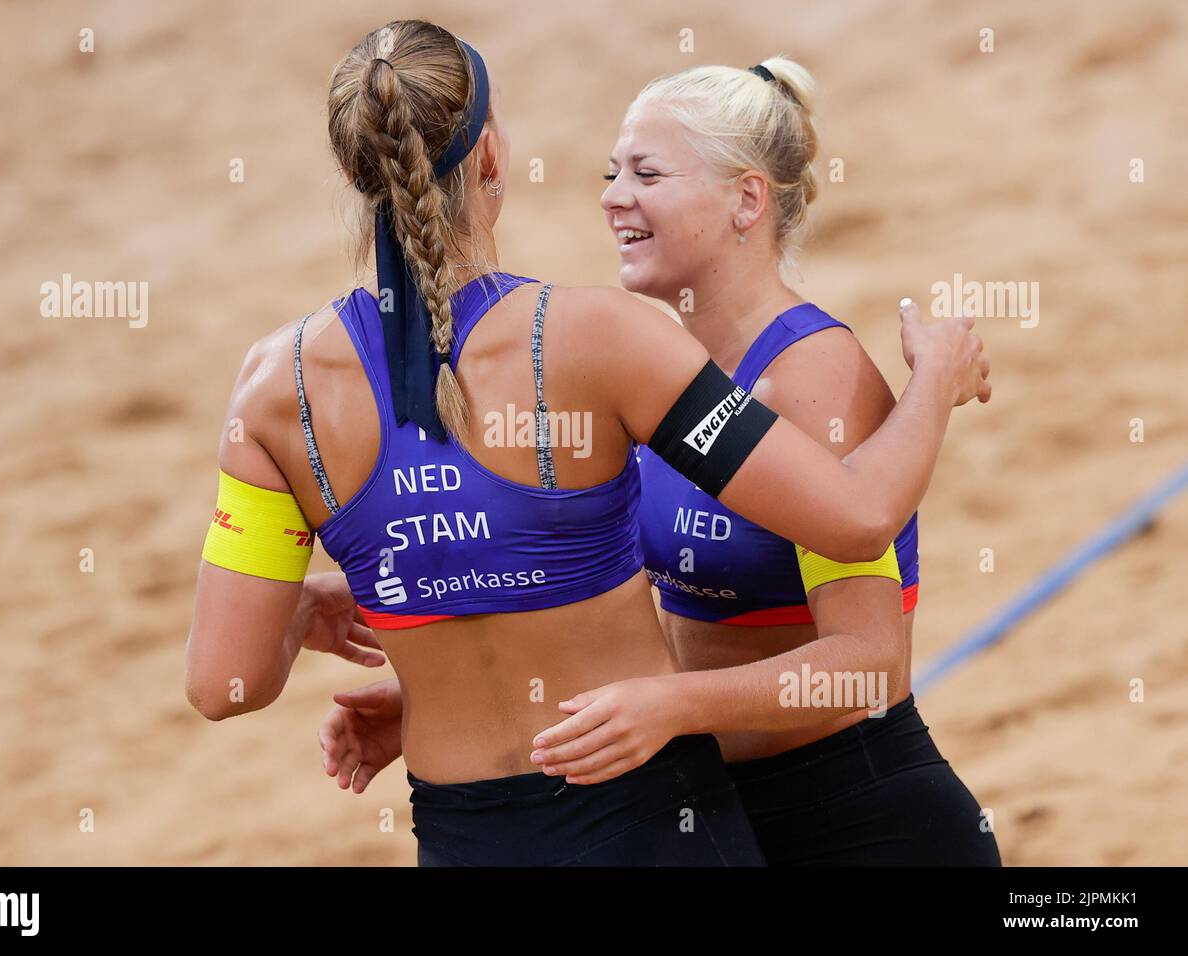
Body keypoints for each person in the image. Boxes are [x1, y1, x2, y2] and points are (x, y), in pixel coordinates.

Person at [186, 20, 989, 866]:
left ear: (355, 170)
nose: (613, 195)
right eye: (616, 172)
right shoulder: (601, 341)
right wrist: (936, 383)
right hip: (657, 821)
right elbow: (845, 519)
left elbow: (219, 685)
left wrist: (382, 655)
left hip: (484, 838)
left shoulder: (271, 386)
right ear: (491, 156)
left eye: (645, 172)